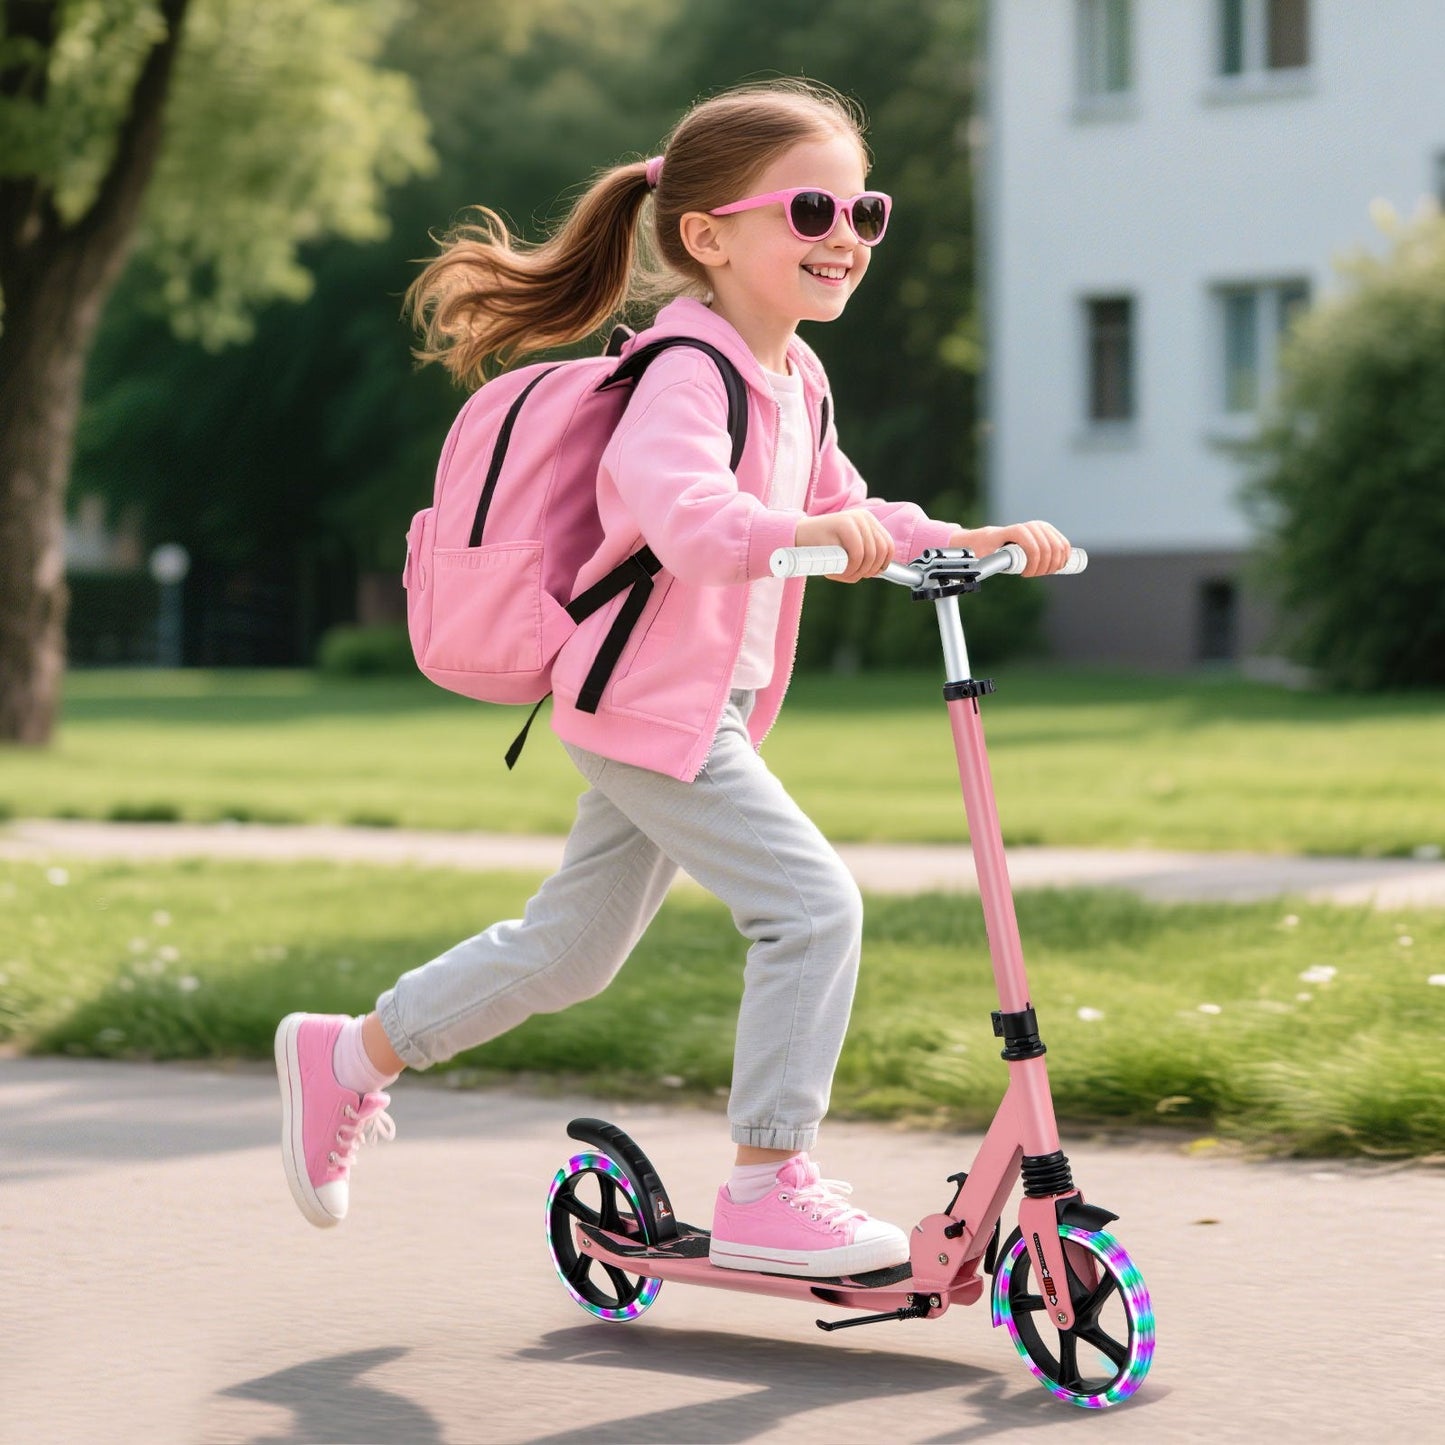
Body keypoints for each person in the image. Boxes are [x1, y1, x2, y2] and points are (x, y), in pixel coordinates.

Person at [275, 78, 1070, 1278]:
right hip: (647, 706)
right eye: (811, 211)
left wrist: (974, 538)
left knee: (572, 949)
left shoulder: (792, 377)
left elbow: (852, 509)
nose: (845, 237)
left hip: (691, 709)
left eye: (866, 211)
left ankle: (352, 1054)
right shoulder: (683, 370)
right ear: (708, 236)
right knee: (812, 908)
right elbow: (693, 520)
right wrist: (799, 535)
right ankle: (767, 1179)